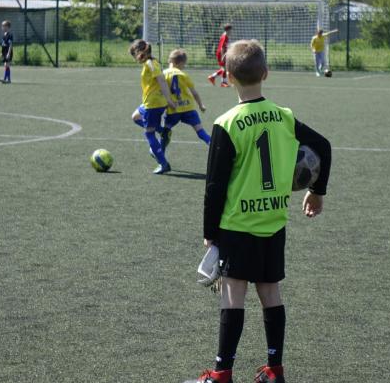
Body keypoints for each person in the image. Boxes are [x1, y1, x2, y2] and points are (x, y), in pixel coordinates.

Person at [188, 39, 332, 383]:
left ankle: (221, 373)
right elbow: (323, 146)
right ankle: (274, 370)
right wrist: (317, 192)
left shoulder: (227, 123)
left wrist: (209, 233)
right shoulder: (284, 116)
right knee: (270, 292)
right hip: (273, 221)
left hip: (237, 224)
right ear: (265, 73)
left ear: (227, 77)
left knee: (232, 293)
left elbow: (214, 186)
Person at [129, 39, 177, 174]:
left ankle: (163, 164)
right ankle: (163, 131)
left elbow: (161, 80)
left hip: (153, 104)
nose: (134, 58)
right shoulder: (152, 62)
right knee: (135, 117)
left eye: (134, 55)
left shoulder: (150, 64)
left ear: (140, 52)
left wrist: (169, 99)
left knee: (149, 134)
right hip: (150, 103)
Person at [161, 48, 211, 150]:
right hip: (188, 108)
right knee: (200, 131)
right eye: (184, 64)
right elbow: (194, 93)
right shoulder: (183, 75)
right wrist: (201, 105)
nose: (184, 67)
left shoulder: (163, 74)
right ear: (180, 63)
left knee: (165, 132)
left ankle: (160, 155)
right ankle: (215, 147)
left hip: (173, 109)